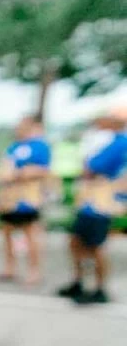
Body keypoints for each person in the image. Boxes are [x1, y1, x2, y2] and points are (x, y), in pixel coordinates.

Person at [57, 109, 127, 305]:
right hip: (92, 200)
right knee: (77, 241)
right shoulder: (110, 140)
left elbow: (94, 166)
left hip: (100, 201)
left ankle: (99, 288)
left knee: (96, 245)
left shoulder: (119, 142)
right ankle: (80, 282)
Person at [0, 115, 52, 285]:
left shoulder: (40, 146)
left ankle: (34, 271)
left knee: (31, 234)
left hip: (29, 197)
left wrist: (17, 174)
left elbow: (41, 170)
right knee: (7, 233)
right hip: (9, 198)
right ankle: (9, 268)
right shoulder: (14, 147)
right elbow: (3, 171)